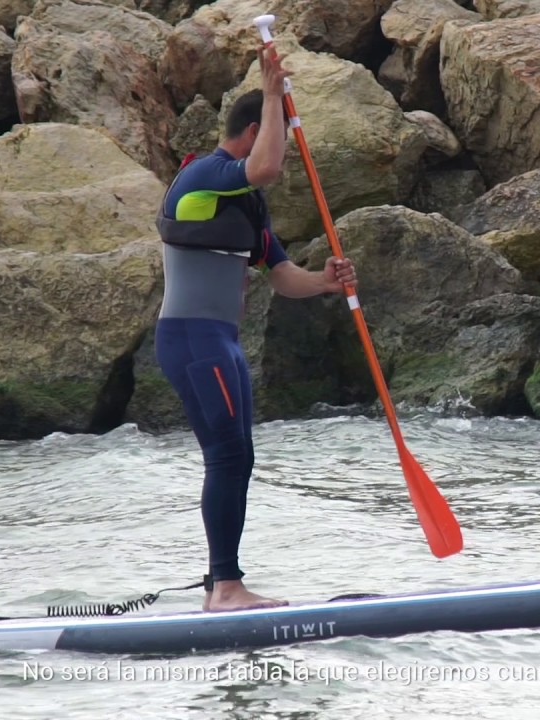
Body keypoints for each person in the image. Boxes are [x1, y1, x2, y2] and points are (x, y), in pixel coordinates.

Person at [153, 47, 357, 612]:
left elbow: (284, 275)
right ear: (250, 131)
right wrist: (273, 94)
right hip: (192, 339)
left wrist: (325, 282)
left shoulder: (247, 208)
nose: (283, 159)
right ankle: (224, 589)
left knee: (238, 455)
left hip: (221, 342)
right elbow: (264, 164)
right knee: (225, 454)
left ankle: (223, 584)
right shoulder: (203, 178)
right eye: (274, 135)